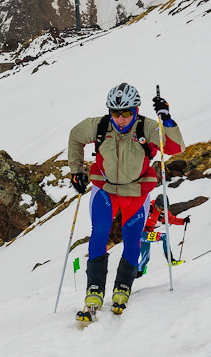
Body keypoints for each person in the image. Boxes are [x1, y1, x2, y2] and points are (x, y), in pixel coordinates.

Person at [68, 83, 184, 317]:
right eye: (115, 113)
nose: (120, 119)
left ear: (136, 110)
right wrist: (77, 171)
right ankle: (94, 289)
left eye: (126, 113)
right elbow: (75, 136)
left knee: (132, 239)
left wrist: (167, 119)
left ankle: (123, 286)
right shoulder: (100, 126)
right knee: (99, 233)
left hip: (136, 191)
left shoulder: (147, 127)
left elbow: (174, 148)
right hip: (105, 189)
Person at [139, 195, 188, 277]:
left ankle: (137, 274)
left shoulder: (162, 212)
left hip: (148, 233)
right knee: (164, 237)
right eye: (161, 208)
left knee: (145, 259)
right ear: (156, 204)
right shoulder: (148, 207)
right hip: (141, 234)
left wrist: (183, 221)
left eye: (165, 208)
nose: (163, 210)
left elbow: (171, 219)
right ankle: (171, 261)